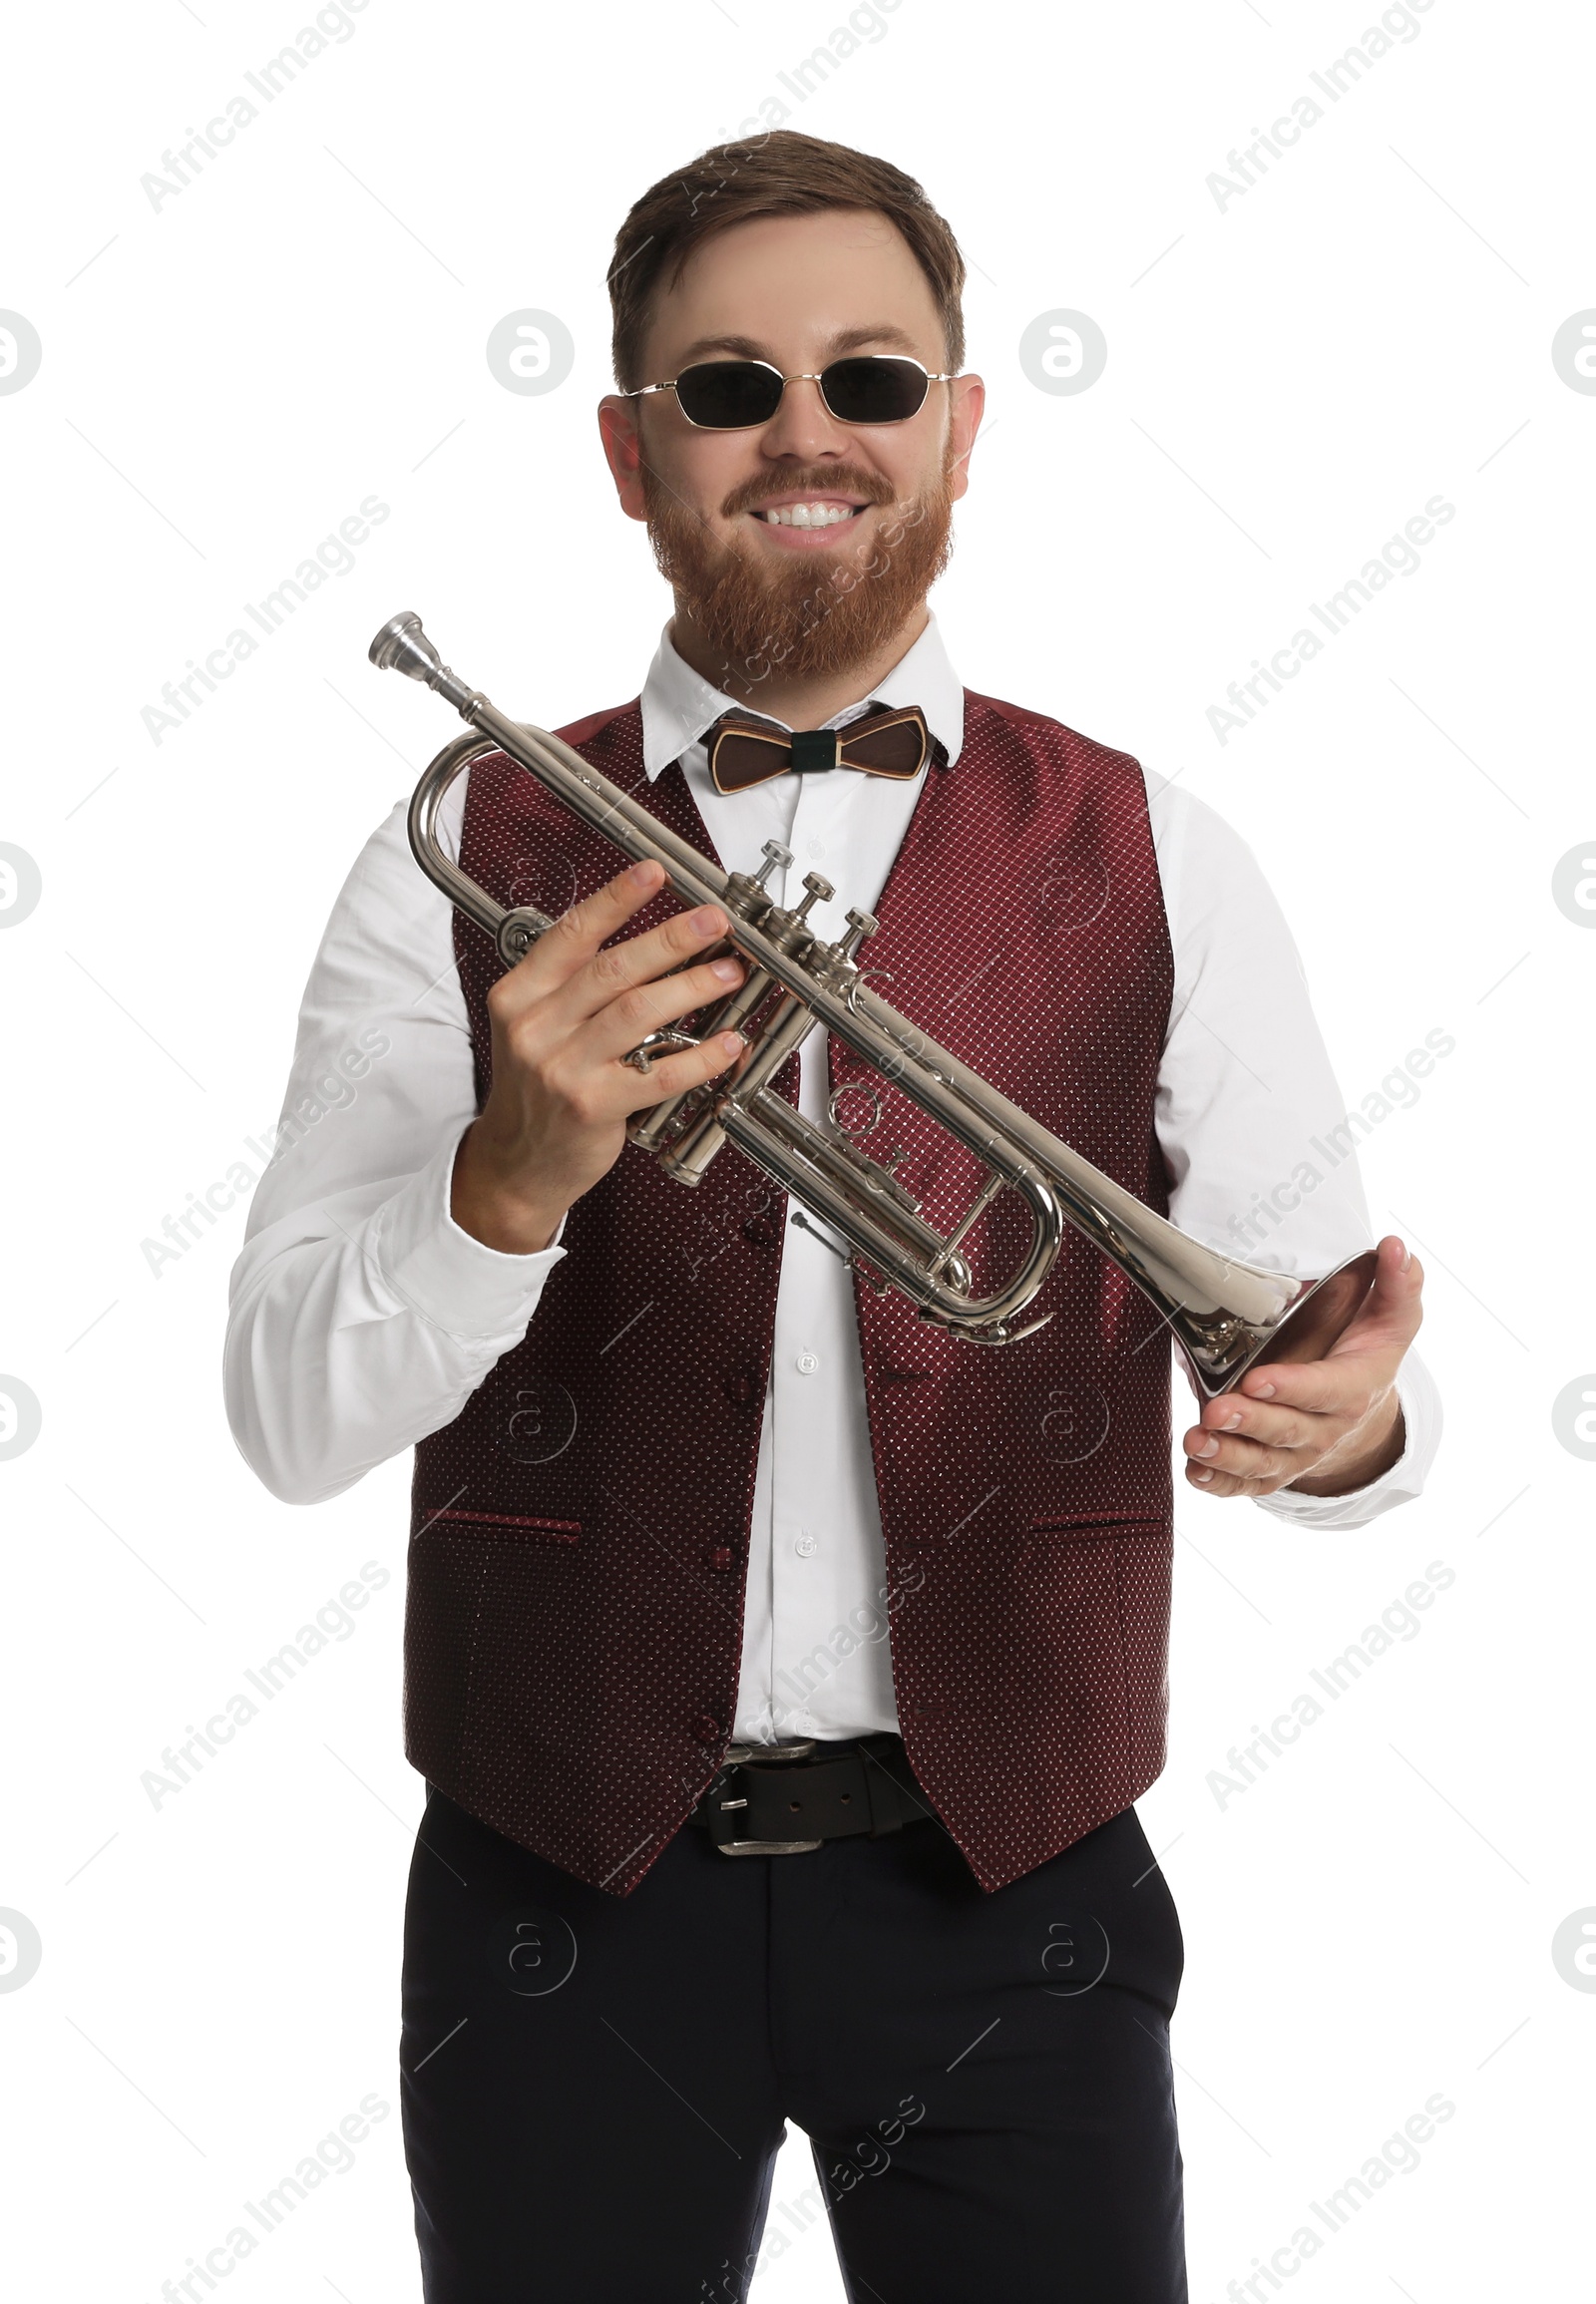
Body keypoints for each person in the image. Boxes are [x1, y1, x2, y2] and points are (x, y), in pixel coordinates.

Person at [224, 132, 1439, 2304]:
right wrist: (505, 1180)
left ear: (957, 425)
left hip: (1016, 1889)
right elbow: (285, 1416)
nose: (807, 434)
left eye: (869, 381)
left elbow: (1310, 1359)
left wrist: (1348, 1435)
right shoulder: (466, 840)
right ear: (630, 452)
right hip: (554, 1882)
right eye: (727, 387)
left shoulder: (1159, 847)